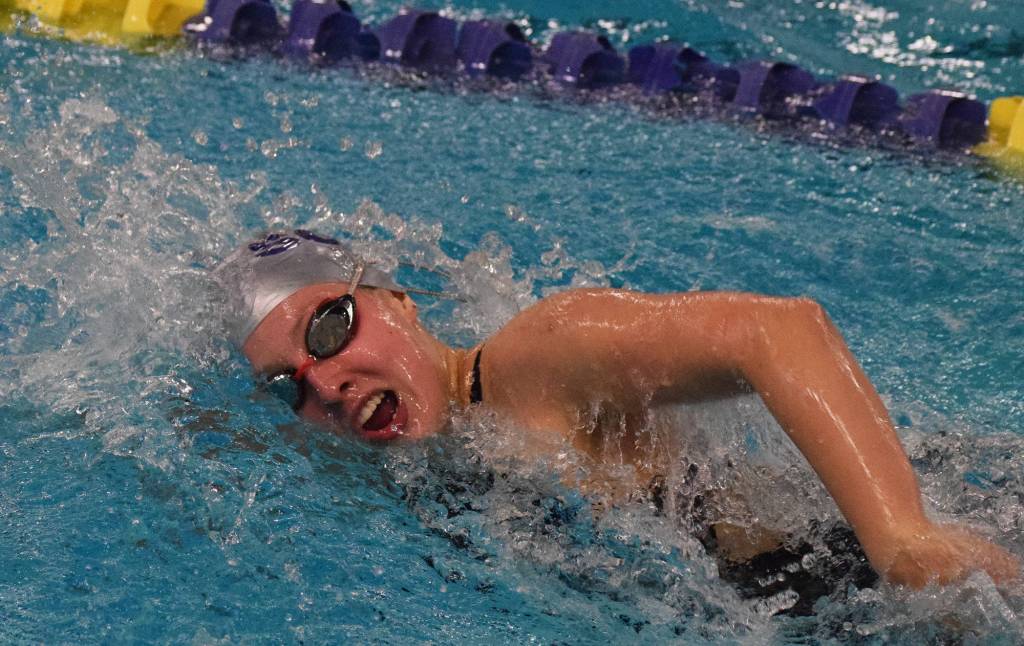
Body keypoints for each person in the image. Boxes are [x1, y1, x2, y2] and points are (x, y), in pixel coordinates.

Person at [215, 228, 1019, 591]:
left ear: (398, 300)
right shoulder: (424, 464)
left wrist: (903, 535)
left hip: (851, 563)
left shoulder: (536, 360)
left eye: (330, 327)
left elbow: (777, 329)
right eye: (288, 388)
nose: (324, 385)